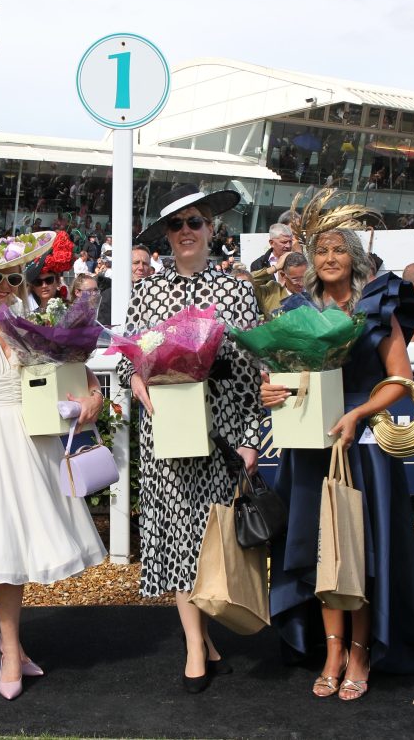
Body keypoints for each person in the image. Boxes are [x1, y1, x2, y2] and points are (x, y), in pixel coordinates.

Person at [260, 192, 414, 702]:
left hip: (363, 448)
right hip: (309, 447)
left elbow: (400, 380)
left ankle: (362, 654)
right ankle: (332, 652)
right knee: (321, 553)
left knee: (361, 555)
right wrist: (271, 391)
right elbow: (283, 378)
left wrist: (360, 412)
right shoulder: (297, 310)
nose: (328, 258)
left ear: (355, 258)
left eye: (338, 249)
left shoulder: (376, 306)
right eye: (320, 250)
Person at [0, 236, 106, 700]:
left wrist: (94, 397)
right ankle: (10, 648)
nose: (5, 285)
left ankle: (9, 642)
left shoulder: (37, 320)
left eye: (13, 277)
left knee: (25, 543)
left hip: (34, 440)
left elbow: (80, 369)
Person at [117, 184, 263, 694]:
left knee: (211, 538)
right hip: (167, 432)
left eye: (194, 223)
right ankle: (195, 646)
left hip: (220, 430)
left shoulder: (236, 291)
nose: (185, 232)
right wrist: (136, 379)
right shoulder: (147, 293)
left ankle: (209, 638)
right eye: (176, 225)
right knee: (178, 537)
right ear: (165, 236)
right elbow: (128, 358)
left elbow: (250, 370)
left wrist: (249, 439)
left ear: (210, 230)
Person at [23, 231, 73, 312]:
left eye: (49, 280)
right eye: (38, 282)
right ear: (33, 286)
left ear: (57, 281)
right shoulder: (24, 310)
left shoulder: (69, 310)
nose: (44, 285)